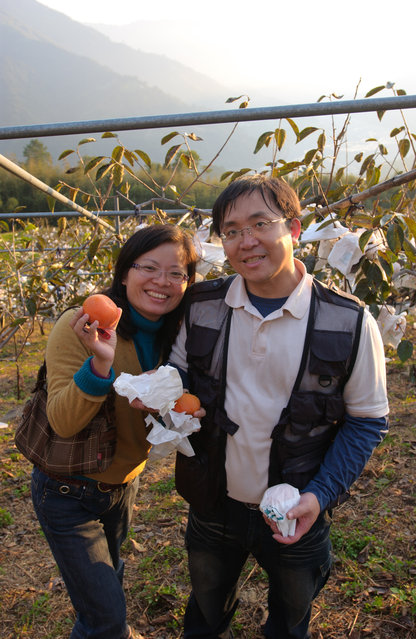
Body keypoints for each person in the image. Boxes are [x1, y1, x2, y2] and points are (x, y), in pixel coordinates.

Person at [168, 174, 389, 639]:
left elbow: (366, 421)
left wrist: (320, 494)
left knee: (290, 624)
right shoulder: (203, 306)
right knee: (205, 617)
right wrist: (167, 400)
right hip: (214, 503)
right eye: (230, 231)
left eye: (260, 224)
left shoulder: (348, 321)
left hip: (296, 509)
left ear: (294, 227)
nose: (246, 242)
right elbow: (178, 377)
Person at [30, 223, 198, 639]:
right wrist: (100, 364)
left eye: (176, 273)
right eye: (149, 268)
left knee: (108, 586)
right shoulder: (82, 325)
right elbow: (63, 421)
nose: (162, 282)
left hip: (123, 485)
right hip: (67, 491)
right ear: (124, 272)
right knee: (106, 621)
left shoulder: (180, 337)